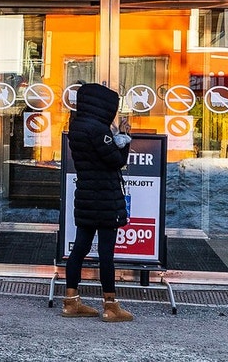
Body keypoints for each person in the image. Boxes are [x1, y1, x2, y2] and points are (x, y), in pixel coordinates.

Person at [61, 82, 134, 322]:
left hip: (85, 196)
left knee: (79, 248)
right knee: (105, 253)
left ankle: (71, 301)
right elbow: (115, 161)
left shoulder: (77, 126)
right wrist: (124, 138)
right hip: (104, 198)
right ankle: (110, 306)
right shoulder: (98, 131)